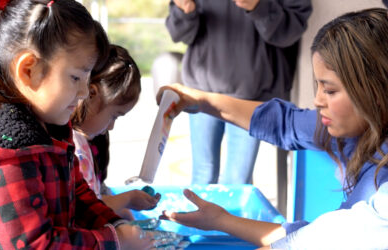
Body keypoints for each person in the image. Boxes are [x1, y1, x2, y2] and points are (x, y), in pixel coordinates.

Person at [158, 8, 388, 248]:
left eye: (330, 91)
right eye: (318, 87)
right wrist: (220, 220)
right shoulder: (353, 128)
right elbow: (285, 123)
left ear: (375, 92)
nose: (318, 100)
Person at [0, 0, 153, 249]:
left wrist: (114, 224)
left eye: (87, 78)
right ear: (29, 70)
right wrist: (112, 241)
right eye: (76, 77)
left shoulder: (52, 129)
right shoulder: (9, 152)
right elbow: (35, 245)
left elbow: (78, 193)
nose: (84, 92)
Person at [165, 0, 312, 185]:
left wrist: (258, 7)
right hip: (202, 89)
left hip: (252, 95)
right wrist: (186, 11)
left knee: (237, 181)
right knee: (202, 176)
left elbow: (289, 32)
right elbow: (179, 34)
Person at [71, 44, 161, 219]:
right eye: (114, 116)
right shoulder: (73, 147)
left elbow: (96, 196)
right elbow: (86, 210)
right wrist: (128, 199)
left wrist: (123, 209)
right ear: (91, 94)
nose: (111, 127)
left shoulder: (83, 140)